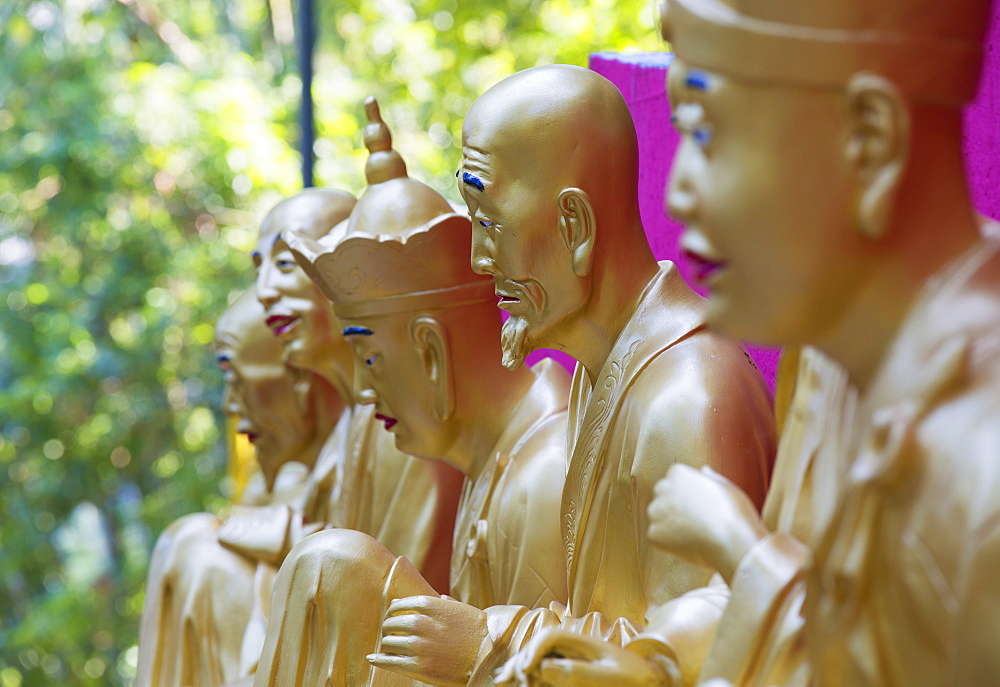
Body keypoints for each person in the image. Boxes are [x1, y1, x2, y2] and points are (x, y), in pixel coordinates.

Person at [527, 0, 1000, 684]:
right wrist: (656, 668)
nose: (678, 193)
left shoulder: (982, 451)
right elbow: (820, 638)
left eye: (706, 131)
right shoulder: (826, 363)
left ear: (867, 137)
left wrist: (739, 547)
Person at [451, 64, 776, 683]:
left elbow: (698, 656)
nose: (476, 259)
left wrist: (487, 643)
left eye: (489, 224)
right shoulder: (598, 373)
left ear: (574, 226)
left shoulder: (688, 394)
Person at [247, 98, 570, 687]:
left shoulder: (542, 472)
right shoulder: (491, 459)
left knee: (335, 567)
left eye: (370, 358)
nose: (365, 393)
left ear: (429, 349)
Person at [136, 290, 336, 687]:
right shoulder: (284, 482)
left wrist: (291, 537)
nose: (230, 405)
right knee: (188, 538)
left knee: (198, 550)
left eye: (237, 382)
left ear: (297, 378)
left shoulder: (382, 444)